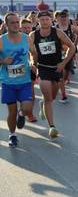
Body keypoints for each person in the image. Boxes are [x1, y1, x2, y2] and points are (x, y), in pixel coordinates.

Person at [30, 11, 75, 138]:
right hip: (43, 68)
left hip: (56, 68)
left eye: (47, 19)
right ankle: (52, 127)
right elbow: (30, 51)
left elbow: (72, 47)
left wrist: (64, 63)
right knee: (48, 97)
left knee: (52, 96)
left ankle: (43, 104)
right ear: (38, 21)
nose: (45, 21)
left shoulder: (58, 33)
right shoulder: (34, 35)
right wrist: (33, 63)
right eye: (42, 19)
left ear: (51, 20)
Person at [0, 12, 37, 147]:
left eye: (17, 22)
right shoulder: (1, 40)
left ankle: (22, 114)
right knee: (12, 111)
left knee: (27, 108)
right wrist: (3, 61)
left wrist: (33, 63)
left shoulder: (26, 39)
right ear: (6, 25)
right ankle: (12, 135)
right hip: (8, 82)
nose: (16, 25)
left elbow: (33, 53)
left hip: (24, 80)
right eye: (12, 23)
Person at [56, 10, 78, 102]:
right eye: (61, 17)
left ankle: (63, 81)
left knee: (67, 73)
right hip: (58, 53)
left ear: (67, 18)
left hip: (69, 53)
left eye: (65, 17)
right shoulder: (55, 28)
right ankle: (63, 94)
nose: (63, 19)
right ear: (59, 19)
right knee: (60, 75)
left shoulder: (72, 27)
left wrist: (74, 44)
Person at [20, 18, 37, 122]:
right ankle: (22, 111)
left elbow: (33, 53)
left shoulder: (32, 37)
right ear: (20, 28)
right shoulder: (16, 38)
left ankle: (30, 113)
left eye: (28, 28)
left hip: (28, 68)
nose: (27, 29)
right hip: (14, 70)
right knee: (20, 93)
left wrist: (32, 64)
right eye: (24, 28)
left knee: (31, 93)